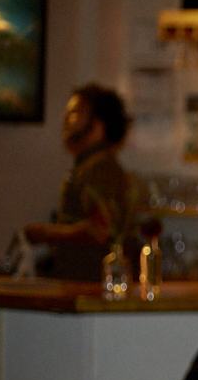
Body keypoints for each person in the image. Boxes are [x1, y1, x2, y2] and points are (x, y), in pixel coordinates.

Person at [23, 84, 133, 281]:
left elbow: (99, 230)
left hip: (88, 287)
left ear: (98, 126)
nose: (65, 119)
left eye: (74, 113)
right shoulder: (92, 165)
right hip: (83, 284)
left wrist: (47, 233)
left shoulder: (99, 167)